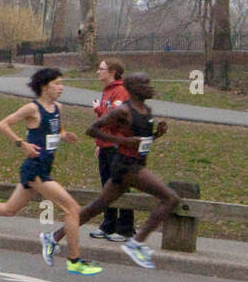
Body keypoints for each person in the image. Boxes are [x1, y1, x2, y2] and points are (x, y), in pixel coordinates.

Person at [0, 67, 101, 275]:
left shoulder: (58, 108)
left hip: (45, 166)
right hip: (35, 169)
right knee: (73, 209)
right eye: (57, 83)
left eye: (61, 83)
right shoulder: (32, 108)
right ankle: (74, 260)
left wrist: (65, 135)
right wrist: (22, 144)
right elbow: (3, 125)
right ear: (45, 87)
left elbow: (55, 129)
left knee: (9, 210)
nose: (61, 87)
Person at [54, 72, 180, 269]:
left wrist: (157, 136)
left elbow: (139, 142)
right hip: (127, 166)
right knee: (170, 198)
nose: (150, 86)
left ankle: (54, 237)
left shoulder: (146, 110)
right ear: (133, 88)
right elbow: (92, 129)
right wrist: (122, 141)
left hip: (134, 163)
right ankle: (136, 243)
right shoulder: (124, 111)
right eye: (145, 83)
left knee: (97, 206)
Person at [89, 58, 136, 243]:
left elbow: (114, 118)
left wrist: (97, 109)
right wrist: (98, 144)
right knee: (106, 187)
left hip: (118, 147)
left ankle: (126, 228)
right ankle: (109, 224)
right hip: (106, 145)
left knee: (121, 185)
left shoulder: (121, 91)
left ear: (112, 72)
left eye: (101, 69)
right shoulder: (108, 90)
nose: (97, 72)